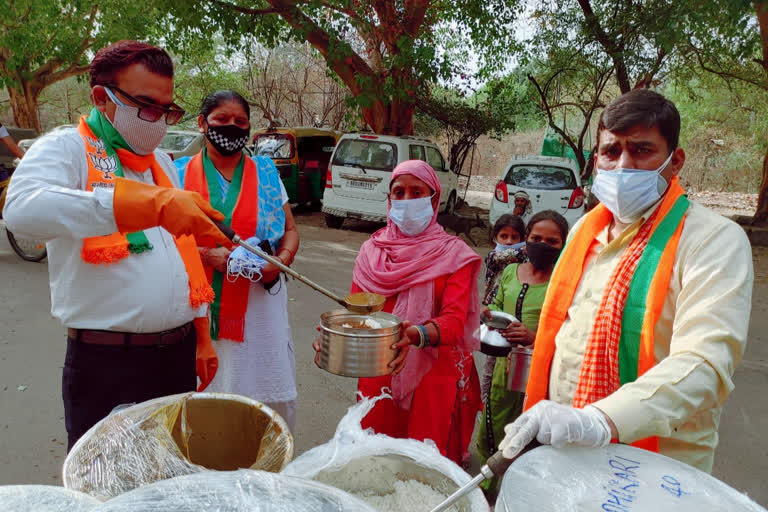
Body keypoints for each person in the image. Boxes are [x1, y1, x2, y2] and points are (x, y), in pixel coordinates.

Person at [498, 89, 754, 473]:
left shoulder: (713, 240)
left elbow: (705, 362)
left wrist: (600, 419)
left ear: (675, 160)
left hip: (654, 469)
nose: (623, 166)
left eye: (641, 150)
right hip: (565, 453)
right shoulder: (585, 228)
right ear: (596, 159)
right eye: (612, 151)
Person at [2, 40, 231, 450]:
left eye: (166, 109)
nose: (157, 120)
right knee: (102, 485)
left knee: (168, 475)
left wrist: (201, 332)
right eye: (146, 105)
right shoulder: (67, 148)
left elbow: (180, 254)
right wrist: (134, 204)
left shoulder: (160, 161)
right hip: (107, 362)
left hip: (175, 356)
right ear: (100, 98)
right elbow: (19, 210)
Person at [314, 160, 483, 466]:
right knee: (373, 458)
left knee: (423, 467)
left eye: (416, 192)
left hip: (432, 375)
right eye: (399, 192)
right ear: (389, 199)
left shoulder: (455, 254)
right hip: (380, 368)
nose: (406, 200)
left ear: (434, 199)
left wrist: (415, 334)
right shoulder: (372, 251)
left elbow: (456, 322)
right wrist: (333, 341)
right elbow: (357, 314)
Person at [176, 90, 300, 433]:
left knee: (264, 393)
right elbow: (167, 240)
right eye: (221, 120)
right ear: (202, 123)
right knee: (208, 396)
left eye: (240, 122)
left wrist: (282, 261)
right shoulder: (178, 172)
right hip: (200, 306)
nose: (232, 128)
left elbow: (290, 229)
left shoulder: (266, 170)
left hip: (260, 304)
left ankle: (263, 456)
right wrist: (204, 255)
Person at [476, 210, 568, 499]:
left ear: (564, 245)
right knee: (492, 427)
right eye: (536, 238)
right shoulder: (508, 273)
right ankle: (486, 491)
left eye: (552, 241)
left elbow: (574, 329)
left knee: (533, 433)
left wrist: (534, 338)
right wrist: (488, 315)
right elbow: (498, 305)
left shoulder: (566, 283)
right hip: (502, 366)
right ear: (526, 241)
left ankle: (520, 496)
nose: (543, 244)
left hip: (544, 371)